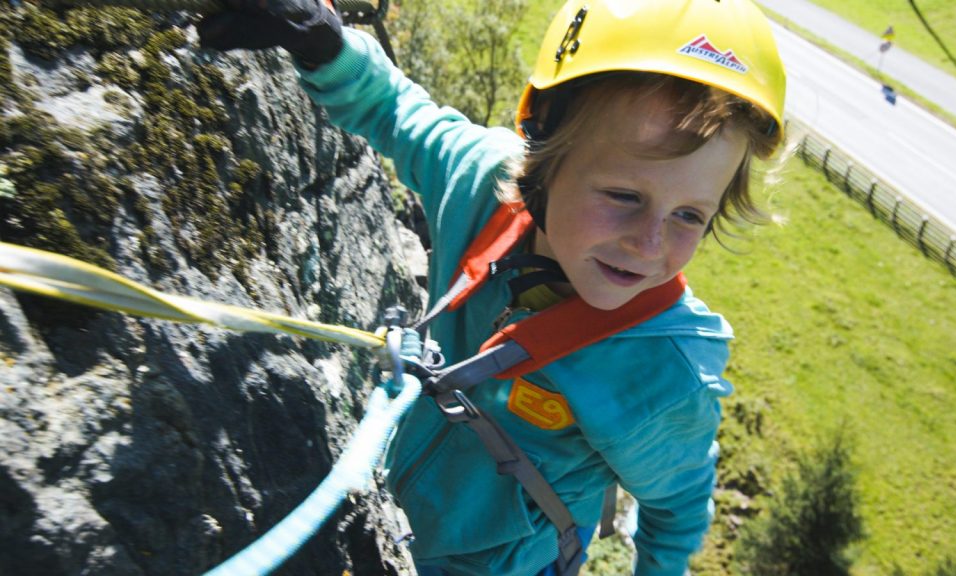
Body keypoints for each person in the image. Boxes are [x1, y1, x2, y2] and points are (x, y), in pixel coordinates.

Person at [199, 0, 786, 574]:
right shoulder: (486, 186)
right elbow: (398, 111)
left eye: (690, 215)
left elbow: (676, 507)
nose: (649, 243)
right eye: (624, 197)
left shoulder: (662, 367)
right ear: (545, 153)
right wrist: (324, 44)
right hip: (398, 515)